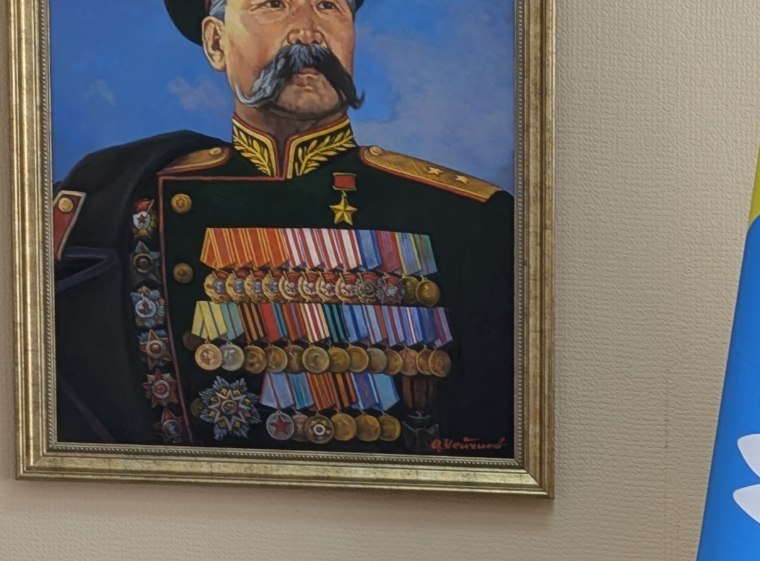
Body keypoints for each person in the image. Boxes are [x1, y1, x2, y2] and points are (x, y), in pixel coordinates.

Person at [50, 0, 514, 454]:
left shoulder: (467, 217)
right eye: (274, 4)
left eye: (329, 6)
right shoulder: (124, 201)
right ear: (216, 43)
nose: (308, 31)